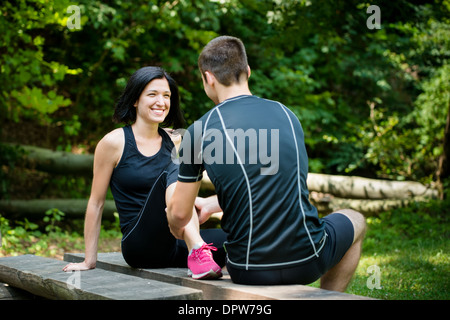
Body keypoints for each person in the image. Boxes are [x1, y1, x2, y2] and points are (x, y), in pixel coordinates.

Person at [167, 36, 366, 291]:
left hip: (248, 269)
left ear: (208, 78)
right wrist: (213, 204)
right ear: (248, 72)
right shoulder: (287, 115)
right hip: (308, 260)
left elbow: (181, 215)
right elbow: (280, 184)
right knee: (354, 218)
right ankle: (329, 297)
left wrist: (176, 222)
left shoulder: (200, 130)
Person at [63, 66, 226, 280]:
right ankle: (197, 249)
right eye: (152, 94)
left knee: (235, 239)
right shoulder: (114, 142)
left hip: (174, 242)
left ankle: (199, 252)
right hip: (140, 244)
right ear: (135, 100)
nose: (161, 101)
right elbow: (96, 202)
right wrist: (89, 260)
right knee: (178, 164)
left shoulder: (176, 138)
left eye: (166, 95)